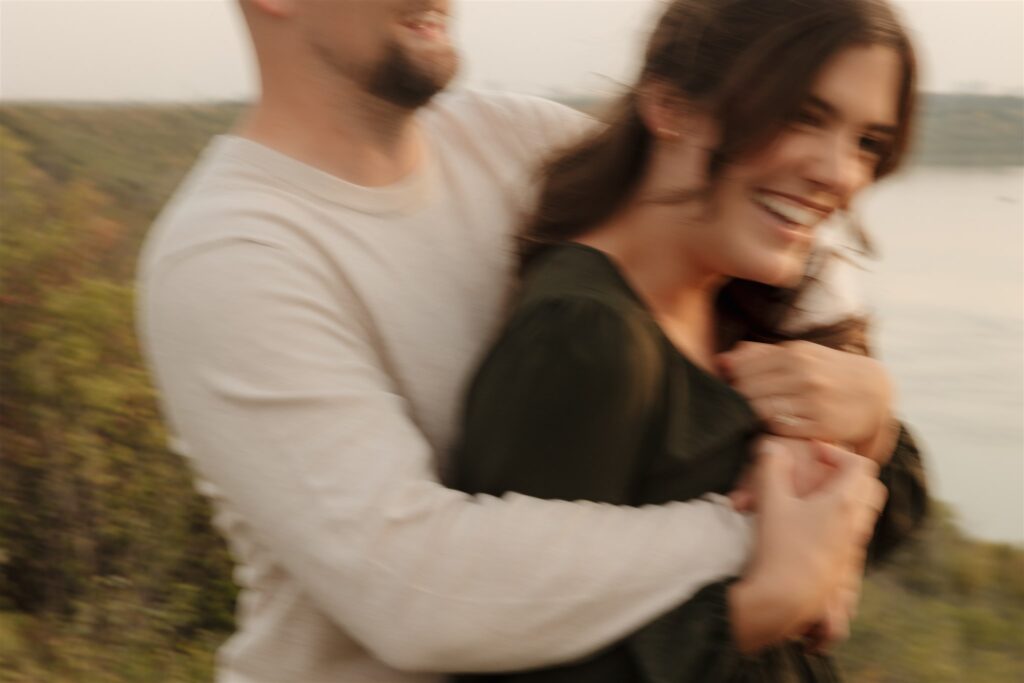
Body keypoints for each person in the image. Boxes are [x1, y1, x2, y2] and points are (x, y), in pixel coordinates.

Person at [136, 1, 903, 681]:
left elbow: (798, 257)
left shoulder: (520, 140)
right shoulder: (232, 256)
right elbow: (412, 588)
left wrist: (870, 404)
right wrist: (768, 536)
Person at [447, 0, 928, 680]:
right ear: (672, 105)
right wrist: (765, 605)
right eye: (802, 114)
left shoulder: (739, 297)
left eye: (867, 143)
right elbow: (511, 656)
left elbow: (889, 517)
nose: (840, 173)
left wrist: (873, 420)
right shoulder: (588, 340)